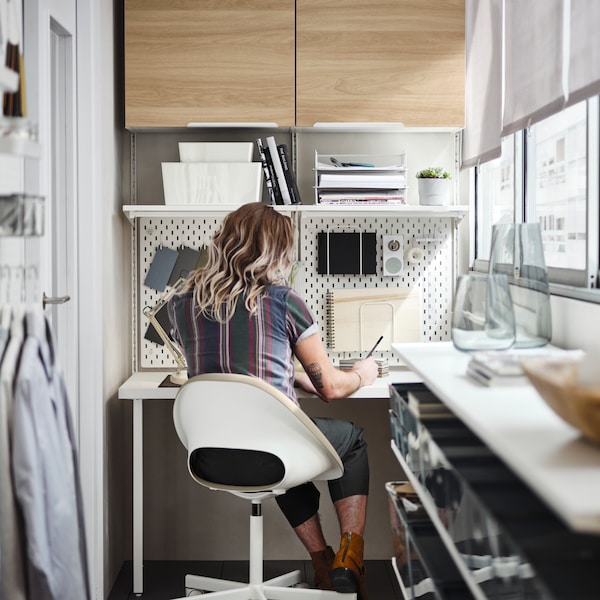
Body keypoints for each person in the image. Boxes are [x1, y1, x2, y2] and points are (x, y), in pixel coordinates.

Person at [168, 203, 378, 599]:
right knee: (348, 440)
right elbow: (332, 389)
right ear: (273, 250)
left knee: (284, 445)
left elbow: (230, 372)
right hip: (270, 450)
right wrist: (362, 374)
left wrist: (290, 377)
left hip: (210, 454)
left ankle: (321, 563)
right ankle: (349, 559)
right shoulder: (283, 300)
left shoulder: (182, 303)